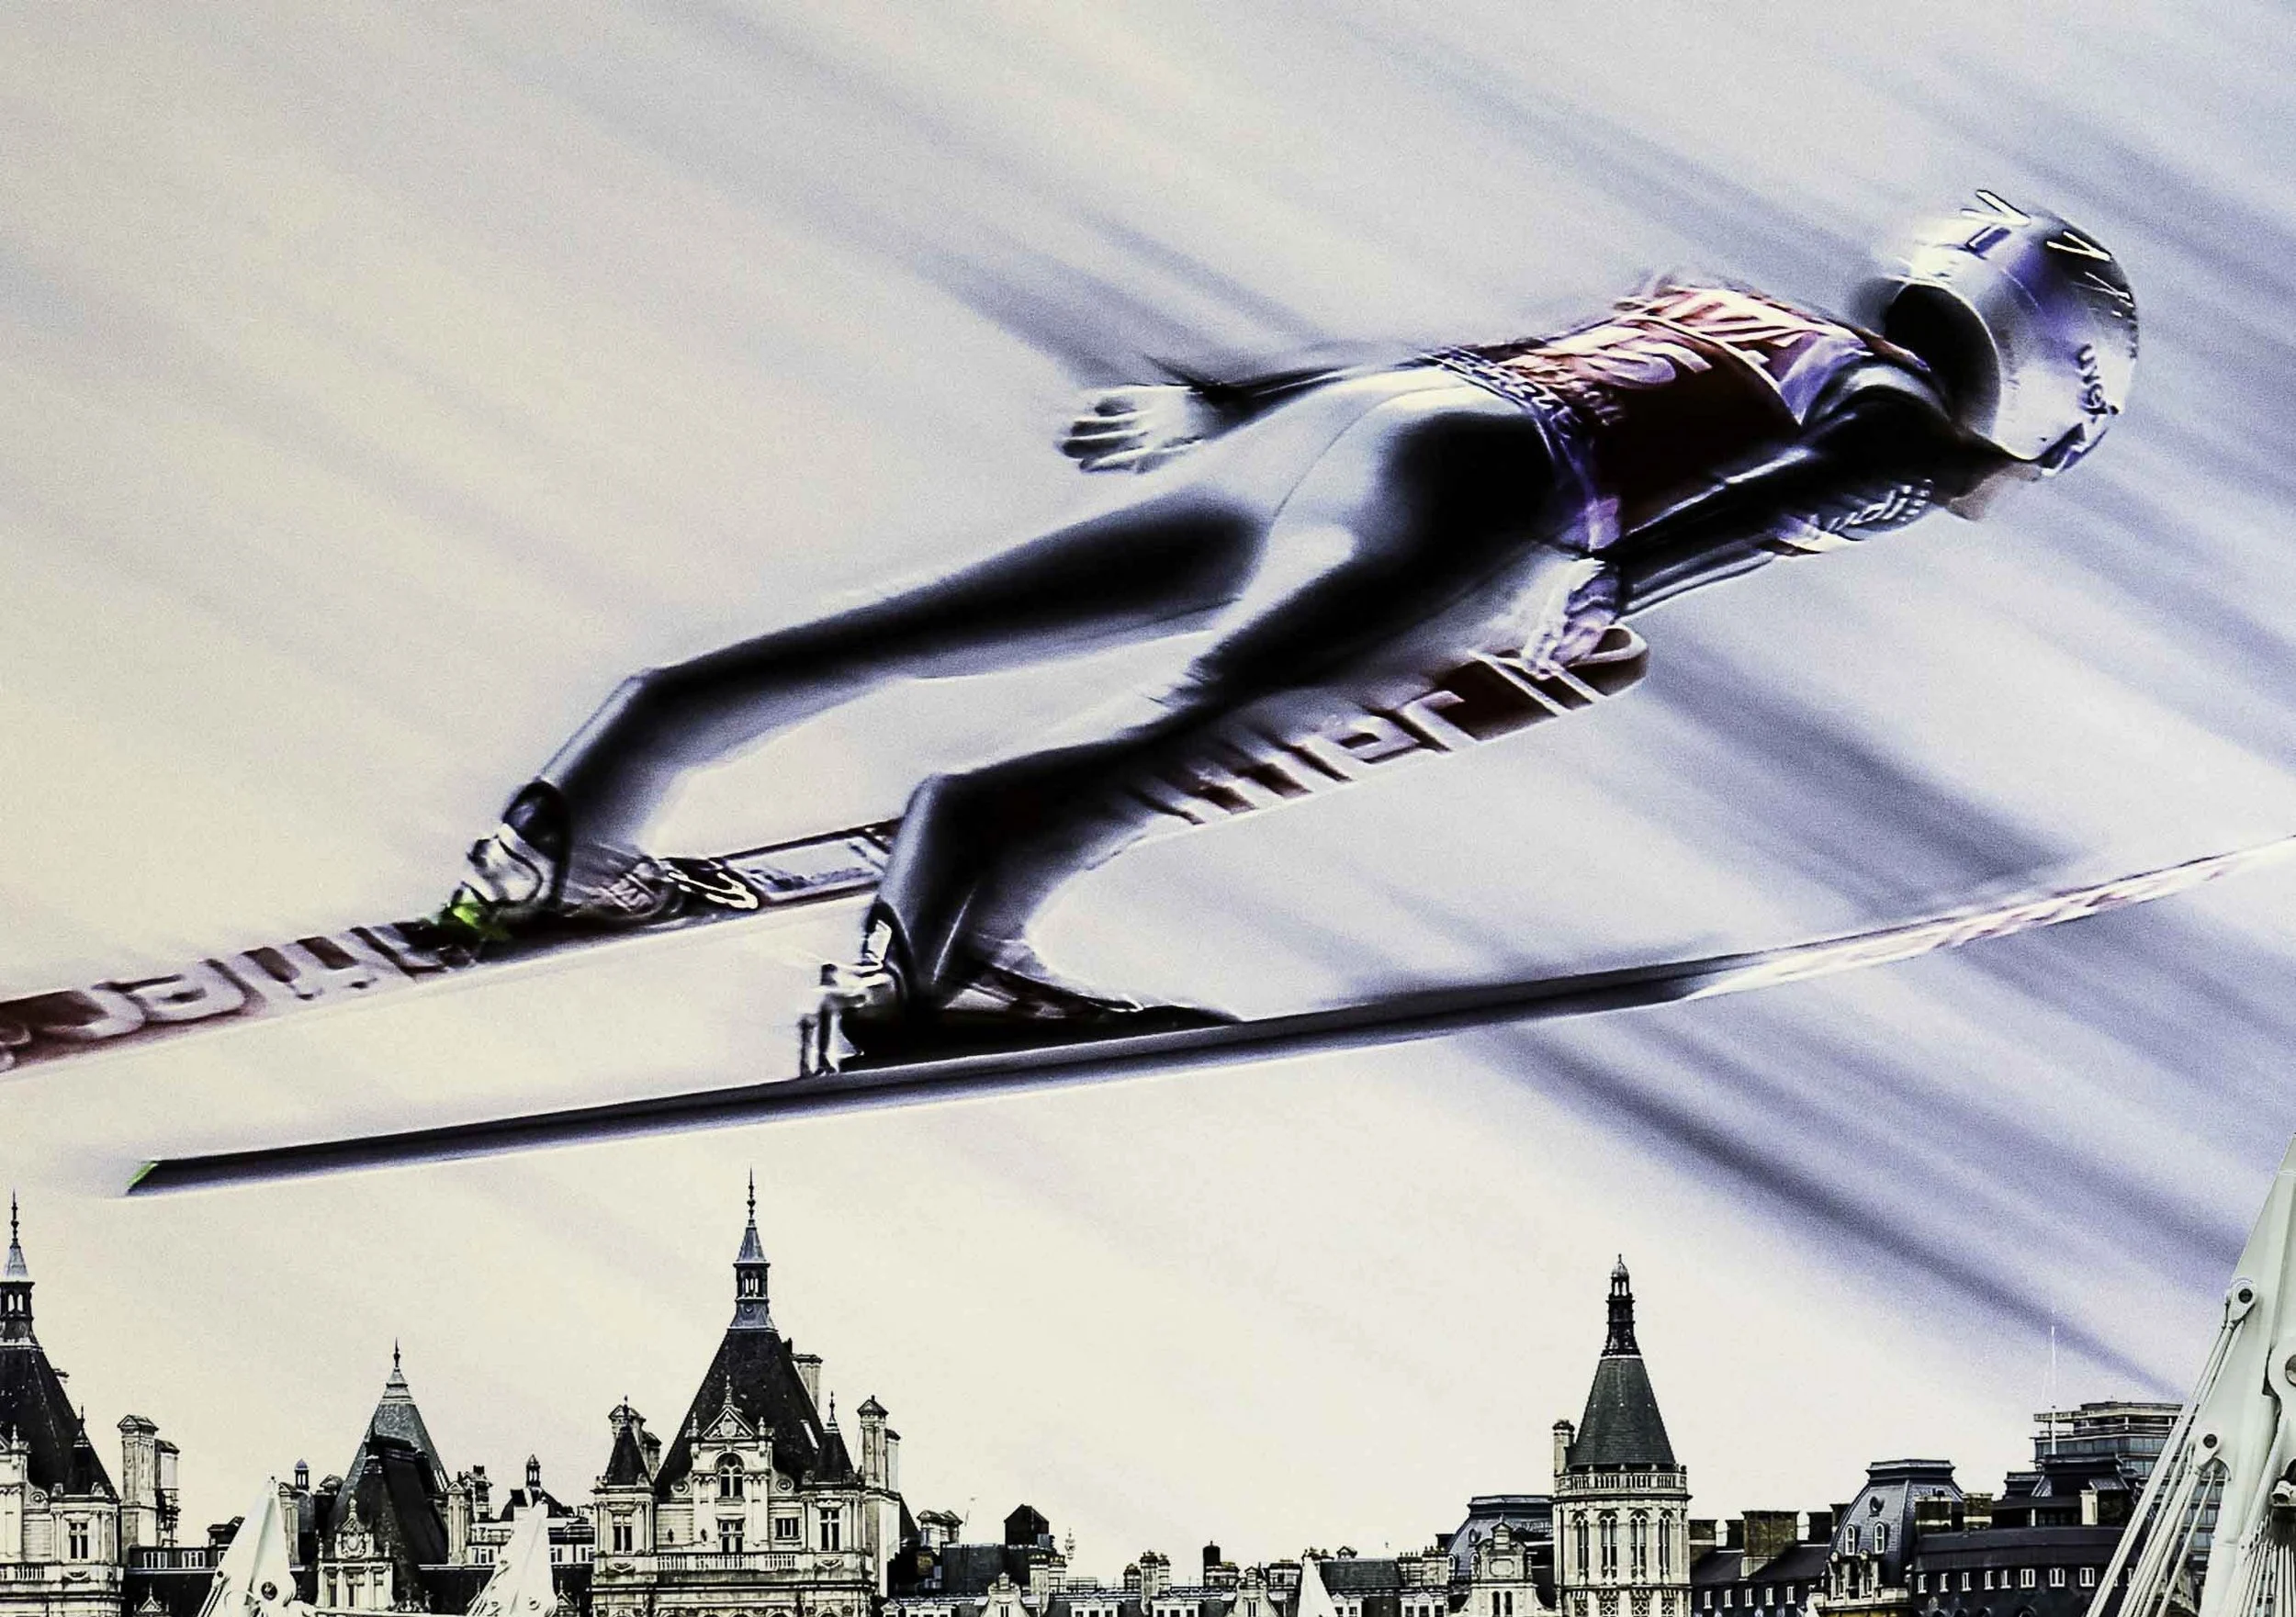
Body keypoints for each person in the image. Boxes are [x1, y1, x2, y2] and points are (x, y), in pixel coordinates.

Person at [450, 195, 2135, 1065]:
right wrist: (1611, 579)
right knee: (1218, 712)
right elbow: (1816, 485)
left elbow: (1490, 359)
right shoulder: (1907, 421)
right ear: (2045, 392)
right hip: (1496, 489)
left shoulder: (1732, 308)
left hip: (1377, 418)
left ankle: (578, 813)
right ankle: (942, 942)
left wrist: (1226, 401)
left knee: (934, 620)